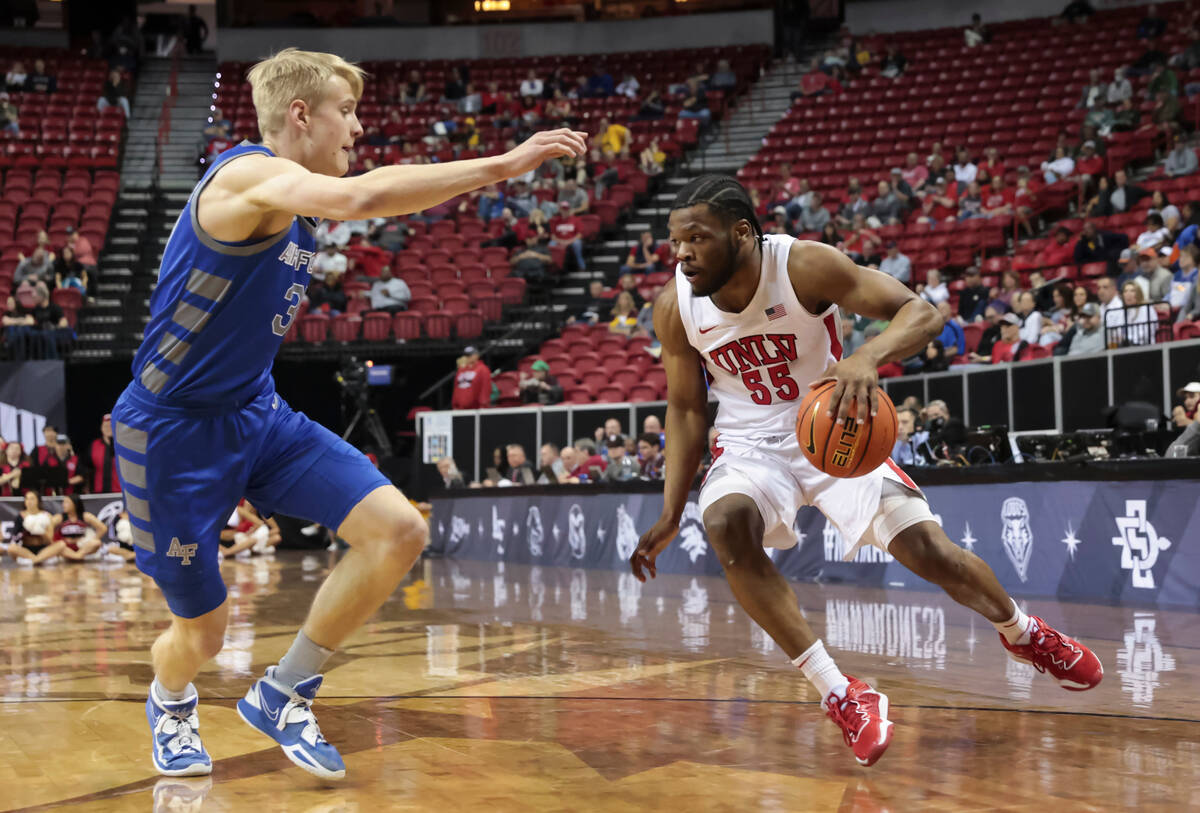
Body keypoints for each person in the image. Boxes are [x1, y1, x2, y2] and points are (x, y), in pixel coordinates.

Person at [106, 48, 585, 779]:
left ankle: (285, 688)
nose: (357, 129)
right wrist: (499, 165)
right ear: (301, 115)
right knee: (203, 632)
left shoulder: (293, 203)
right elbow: (363, 200)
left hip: (256, 413)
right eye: (347, 111)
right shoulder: (246, 176)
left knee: (398, 529)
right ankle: (171, 699)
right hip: (172, 432)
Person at [630, 175, 1101, 767]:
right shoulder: (676, 305)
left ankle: (1024, 633)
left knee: (931, 552)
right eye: (675, 241)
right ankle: (841, 691)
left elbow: (921, 313)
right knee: (724, 523)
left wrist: (865, 355)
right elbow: (685, 407)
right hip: (749, 442)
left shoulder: (802, 265)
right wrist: (672, 511)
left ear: (742, 232)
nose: (681, 254)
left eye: (696, 238)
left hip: (831, 422)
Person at [6, 490, 58, 565]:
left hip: (43, 548)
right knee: (11, 548)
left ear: (38, 501)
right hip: (27, 549)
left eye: (32, 499)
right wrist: (25, 530)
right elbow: (14, 538)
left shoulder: (46, 515)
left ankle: (37, 559)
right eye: (27, 499)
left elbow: (50, 539)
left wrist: (41, 531)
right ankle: (36, 559)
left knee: (61, 544)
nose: (29, 501)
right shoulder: (21, 516)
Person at [90, 413, 120, 493]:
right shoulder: (95, 445)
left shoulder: (122, 445)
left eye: (110, 426)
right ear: (101, 428)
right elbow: (89, 468)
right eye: (105, 426)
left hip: (118, 491)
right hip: (99, 492)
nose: (108, 428)